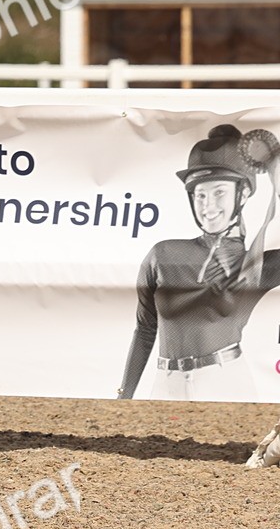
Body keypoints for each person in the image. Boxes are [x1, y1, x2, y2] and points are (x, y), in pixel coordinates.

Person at [118, 124, 280, 401]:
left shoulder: (256, 266)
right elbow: (145, 329)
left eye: (219, 192)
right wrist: (124, 396)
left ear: (242, 194)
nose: (208, 206)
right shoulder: (162, 254)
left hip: (226, 381)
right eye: (200, 195)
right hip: (165, 384)